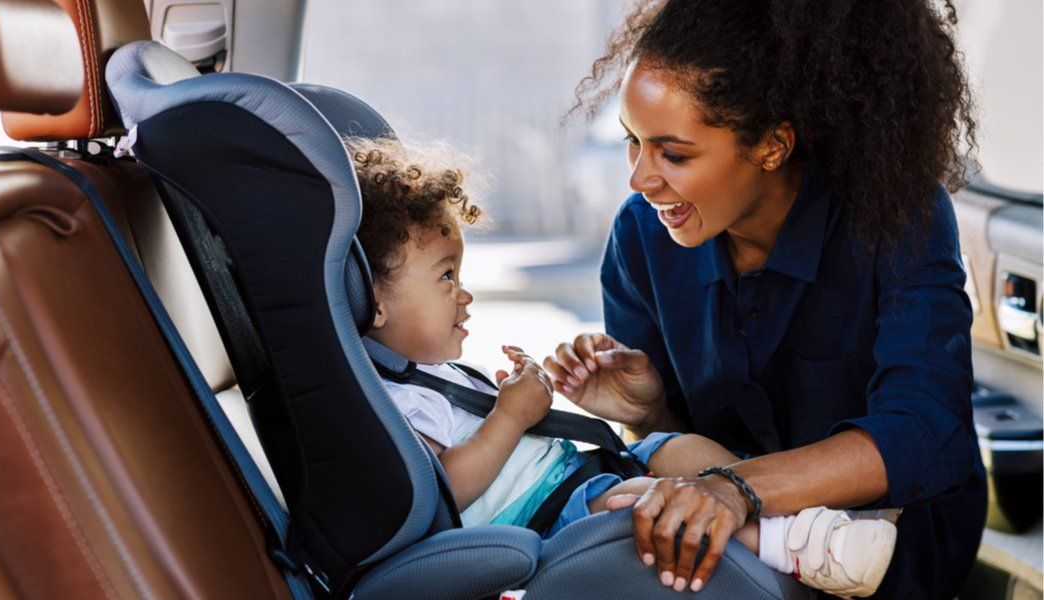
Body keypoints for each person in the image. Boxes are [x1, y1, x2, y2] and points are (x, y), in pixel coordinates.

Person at [546, 0, 987, 598]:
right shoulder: (641, 236)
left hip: (886, 545)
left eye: (673, 154)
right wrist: (648, 415)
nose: (640, 178)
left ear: (772, 146)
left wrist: (737, 487)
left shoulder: (896, 213)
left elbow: (925, 432)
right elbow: (688, 458)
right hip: (731, 528)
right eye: (633, 142)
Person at [349, 137, 898, 597]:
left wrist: (518, 396)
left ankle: (802, 518)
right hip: (550, 512)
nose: (464, 295)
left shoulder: (434, 377)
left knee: (674, 447)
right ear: (372, 301)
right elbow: (446, 489)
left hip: (580, 474)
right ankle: (798, 548)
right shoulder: (392, 402)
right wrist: (511, 416)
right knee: (646, 501)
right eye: (446, 277)